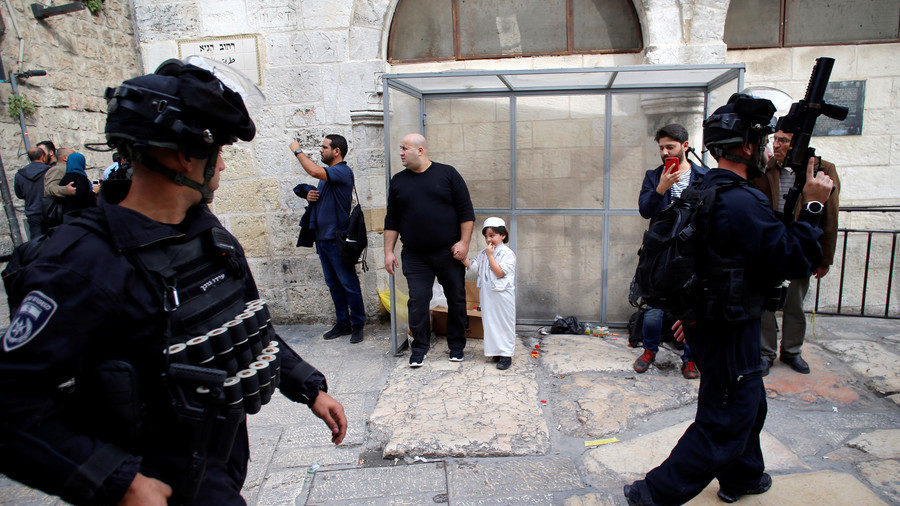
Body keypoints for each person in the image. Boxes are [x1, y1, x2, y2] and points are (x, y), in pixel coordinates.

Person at [0, 59, 347, 505]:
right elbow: (10, 403)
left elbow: (246, 324)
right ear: (185, 155)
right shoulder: (82, 261)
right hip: (156, 485)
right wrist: (118, 481)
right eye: (217, 150)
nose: (221, 164)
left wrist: (308, 387)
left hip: (217, 461)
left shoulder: (210, 234)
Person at [624, 94, 834, 505]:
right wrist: (811, 205)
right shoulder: (740, 201)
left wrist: (689, 315)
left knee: (748, 403)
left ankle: (743, 477)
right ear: (749, 147)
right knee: (725, 418)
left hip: (712, 320)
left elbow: (695, 261)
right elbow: (792, 260)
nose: (770, 149)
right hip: (727, 325)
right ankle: (651, 495)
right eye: (765, 142)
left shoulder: (703, 191)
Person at [752, 127, 840, 375]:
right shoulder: (766, 168)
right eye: (775, 140)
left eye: (784, 141)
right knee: (766, 303)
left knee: (795, 304)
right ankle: (765, 352)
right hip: (771, 244)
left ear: (798, 144)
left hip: (802, 243)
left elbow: (830, 215)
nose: (777, 145)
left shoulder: (824, 169)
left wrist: (825, 258)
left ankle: (791, 351)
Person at [384, 133, 475, 367]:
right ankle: (420, 347)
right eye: (400, 149)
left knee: (455, 298)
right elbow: (392, 219)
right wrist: (388, 251)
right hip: (415, 255)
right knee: (418, 300)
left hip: (448, 252)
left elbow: (466, 213)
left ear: (420, 151)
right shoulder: (398, 181)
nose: (401, 153)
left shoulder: (447, 174)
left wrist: (464, 243)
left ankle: (456, 345)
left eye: (405, 148)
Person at [635, 124, 705, 380]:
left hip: (690, 251)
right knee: (654, 305)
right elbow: (645, 210)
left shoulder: (703, 176)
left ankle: (689, 358)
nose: (665, 152)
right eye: (661, 148)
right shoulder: (654, 176)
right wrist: (661, 188)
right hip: (660, 251)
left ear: (685, 146)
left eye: (670, 147)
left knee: (690, 306)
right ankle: (649, 351)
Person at [290, 134, 365, 344]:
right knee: (333, 283)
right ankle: (343, 323)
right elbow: (322, 192)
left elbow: (313, 169)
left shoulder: (341, 171)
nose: (321, 150)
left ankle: (358, 325)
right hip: (322, 240)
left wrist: (297, 150)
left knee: (348, 283)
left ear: (336, 151)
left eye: (324, 147)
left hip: (337, 239)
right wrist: (309, 196)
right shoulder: (328, 177)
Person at [463, 217, 516, 370]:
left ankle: (506, 355)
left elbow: (499, 273)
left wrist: (490, 256)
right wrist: (462, 258)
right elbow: (474, 268)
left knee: (503, 323)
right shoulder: (484, 252)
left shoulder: (507, 254)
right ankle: (496, 352)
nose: (488, 239)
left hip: (502, 296)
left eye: (492, 235)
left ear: (503, 235)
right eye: (486, 236)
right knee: (490, 323)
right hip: (487, 294)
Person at [13, 147, 51, 239]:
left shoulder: (20, 175)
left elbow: (19, 194)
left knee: (36, 242)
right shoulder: (50, 171)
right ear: (42, 156)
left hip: (32, 212)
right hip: (50, 210)